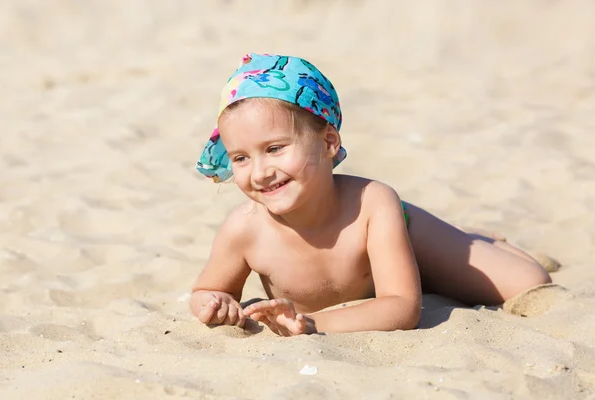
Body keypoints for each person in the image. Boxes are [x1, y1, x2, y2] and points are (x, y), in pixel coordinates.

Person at [190, 53, 551, 336]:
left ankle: (474, 239)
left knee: (528, 283)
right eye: (240, 157)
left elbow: (402, 308)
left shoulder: (373, 204)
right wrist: (213, 302)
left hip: (407, 234)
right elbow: (206, 289)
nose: (260, 171)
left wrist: (313, 324)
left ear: (329, 142)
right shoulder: (244, 230)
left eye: (275, 148)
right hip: (374, 271)